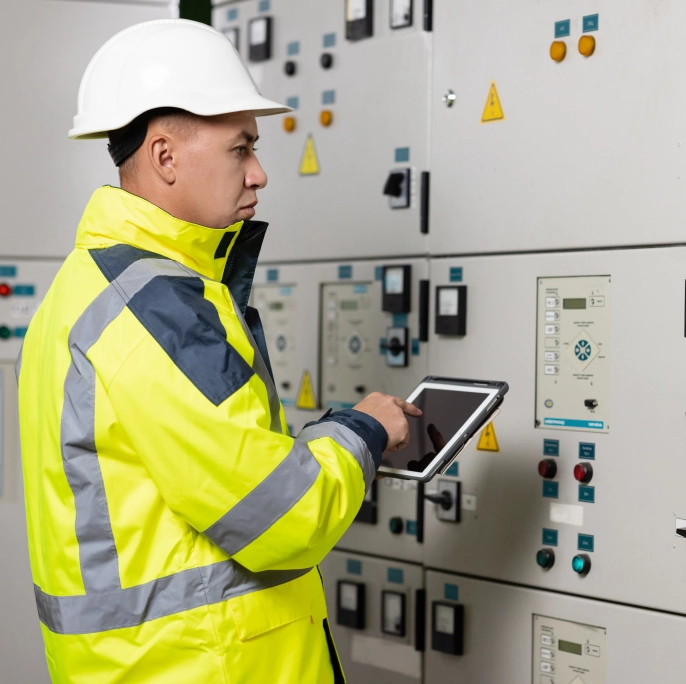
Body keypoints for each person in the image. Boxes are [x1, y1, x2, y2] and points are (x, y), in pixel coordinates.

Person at [16, 19, 420, 684]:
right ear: (165, 156)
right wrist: (364, 429)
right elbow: (285, 515)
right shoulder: (156, 310)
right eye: (241, 149)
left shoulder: (84, 289)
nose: (259, 174)